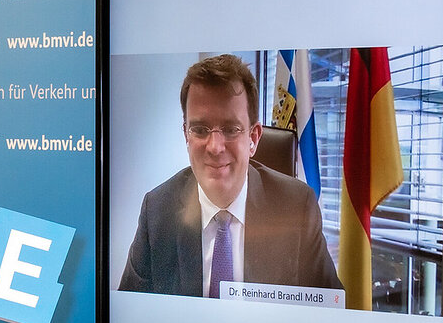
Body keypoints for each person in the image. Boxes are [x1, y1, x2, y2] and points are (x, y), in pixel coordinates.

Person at [118, 54, 342, 297]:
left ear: (253, 138)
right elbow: (131, 309)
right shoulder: (157, 211)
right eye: (200, 129)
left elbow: (330, 308)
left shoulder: (296, 208)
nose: (215, 147)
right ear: (186, 135)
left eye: (231, 129)